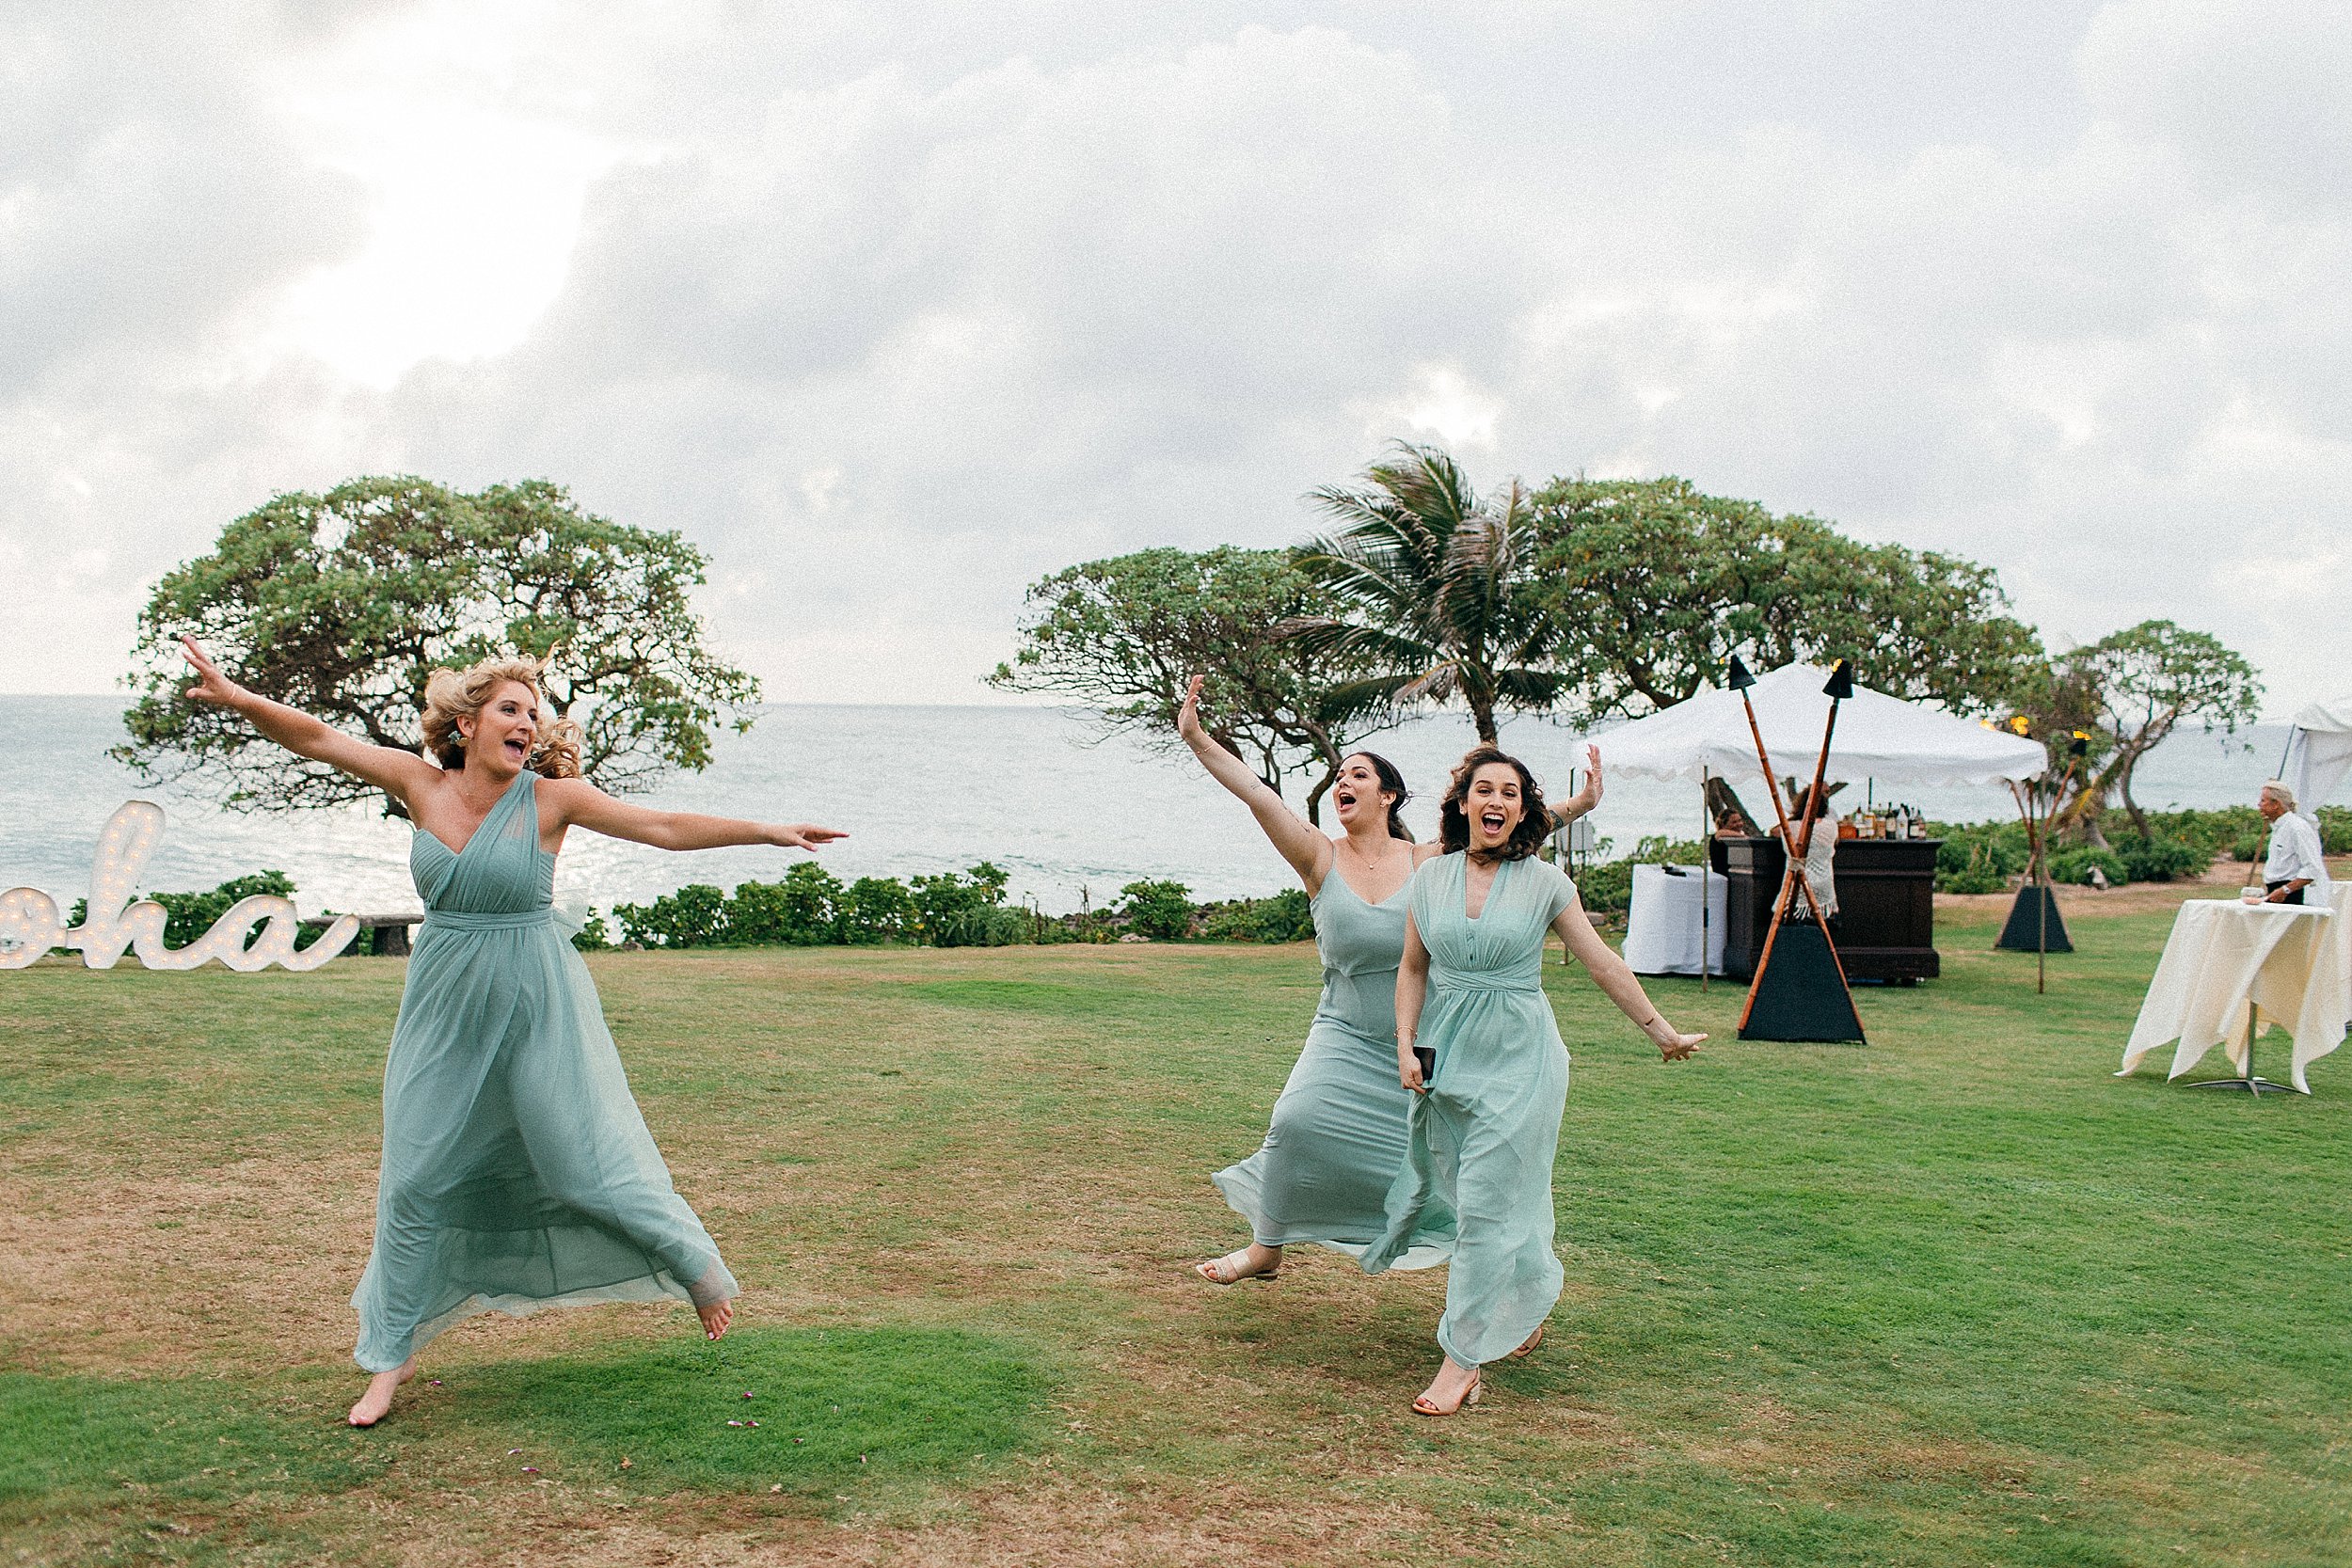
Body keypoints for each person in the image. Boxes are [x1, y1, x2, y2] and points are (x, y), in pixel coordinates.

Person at [177, 637, 845, 1428]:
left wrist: (768, 832)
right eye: (511, 709)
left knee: (574, 1164)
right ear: (466, 721)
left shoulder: (551, 801)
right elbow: (321, 738)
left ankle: (693, 1263)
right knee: (416, 1178)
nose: (529, 722)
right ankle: (389, 1360)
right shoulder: (419, 784)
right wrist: (240, 697)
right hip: (442, 1005)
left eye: (535, 712)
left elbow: (662, 825)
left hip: (533, 998)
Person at [1177, 677, 1601, 1285]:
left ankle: (1501, 1274)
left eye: (1358, 775)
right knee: (1295, 1122)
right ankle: (1267, 1247)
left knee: (1452, 1166)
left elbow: (1507, 827)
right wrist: (1197, 738)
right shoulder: (1319, 856)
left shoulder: (1427, 862)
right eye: (1340, 776)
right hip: (1343, 1033)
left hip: (1421, 1042)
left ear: (1390, 794)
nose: (1343, 783)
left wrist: (1582, 803)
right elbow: (1257, 794)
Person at [1366, 747, 1704, 1418]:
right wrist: (1404, 1043)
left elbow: (1602, 962)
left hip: (1522, 1062)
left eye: (1510, 792)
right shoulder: (1428, 877)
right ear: (1462, 803)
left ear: (1523, 810)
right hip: (1447, 1059)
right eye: (1483, 789)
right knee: (1474, 1202)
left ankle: (1461, 1360)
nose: (1496, 801)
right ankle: (1521, 1304)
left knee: (1491, 1204)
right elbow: (1412, 968)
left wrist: (1659, 1029)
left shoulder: (1547, 884)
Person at [2258, 781, 2331, 906]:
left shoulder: (2297, 828)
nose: (2259, 805)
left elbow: (2312, 867)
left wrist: (2285, 890)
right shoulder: (2279, 828)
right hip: (2276, 892)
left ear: (2276, 804)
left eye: (2263, 801)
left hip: (2292, 895)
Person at [1777, 784, 1838, 922]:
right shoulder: (1831, 826)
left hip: (1795, 884)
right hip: (1824, 885)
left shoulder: (1788, 827)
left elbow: (1775, 831)